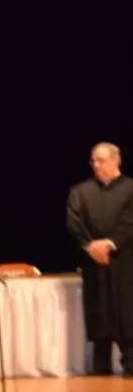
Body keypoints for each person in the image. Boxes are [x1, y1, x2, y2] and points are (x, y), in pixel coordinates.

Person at [66, 142, 133, 375]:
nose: (96, 165)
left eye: (101, 160)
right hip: (94, 263)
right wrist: (91, 246)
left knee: (126, 311)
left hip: (125, 262)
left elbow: (130, 222)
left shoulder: (130, 188)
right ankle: (100, 366)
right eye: (93, 160)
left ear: (116, 161)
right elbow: (74, 223)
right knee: (99, 311)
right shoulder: (81, 191)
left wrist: (110, 244)